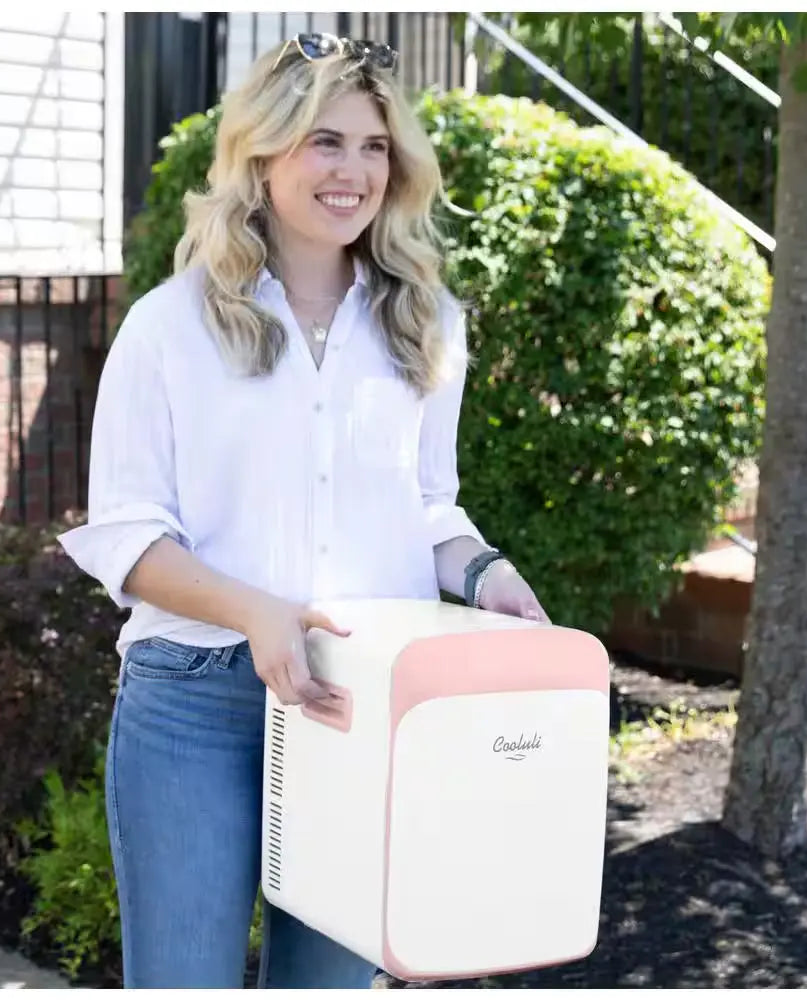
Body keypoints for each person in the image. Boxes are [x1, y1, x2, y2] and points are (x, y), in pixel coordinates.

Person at [59, 32, 549, 990]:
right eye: (326, 142)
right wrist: (255, 612)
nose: (354, 172)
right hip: (196, 703)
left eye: (375, 149)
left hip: (357, 704)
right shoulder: (170, 325)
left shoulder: (425, 322)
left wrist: (489, 575)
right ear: (264, 151)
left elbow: (428, 504)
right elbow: (124, 533)